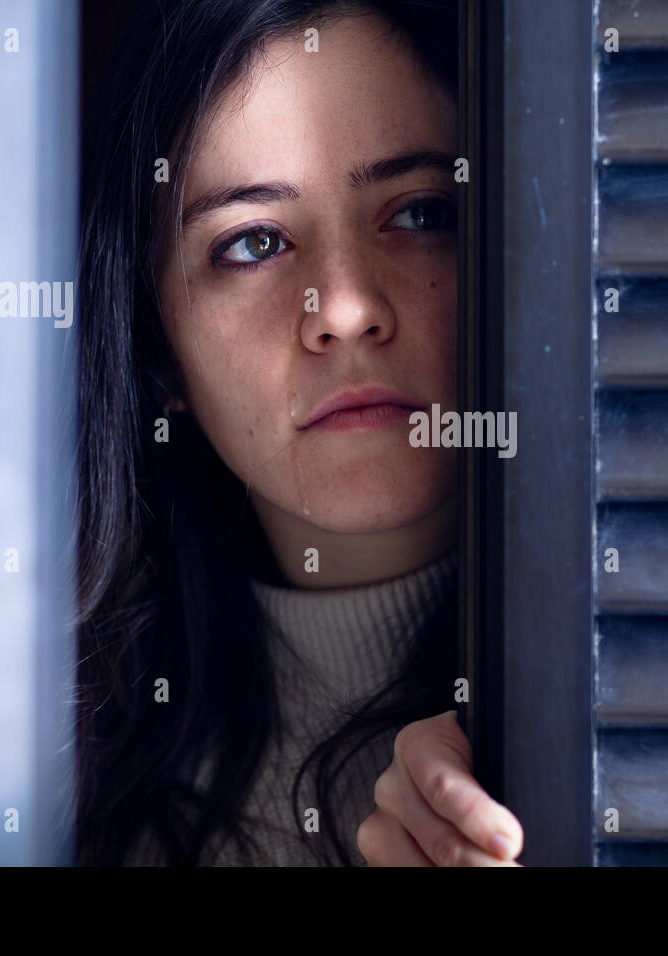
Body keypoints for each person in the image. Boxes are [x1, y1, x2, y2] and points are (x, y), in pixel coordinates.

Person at [72, 0, 523, 866]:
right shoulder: (52, 791)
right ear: (158, 354)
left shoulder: (635, 723)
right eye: (253, 244)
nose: (346, 310)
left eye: (421, 213)